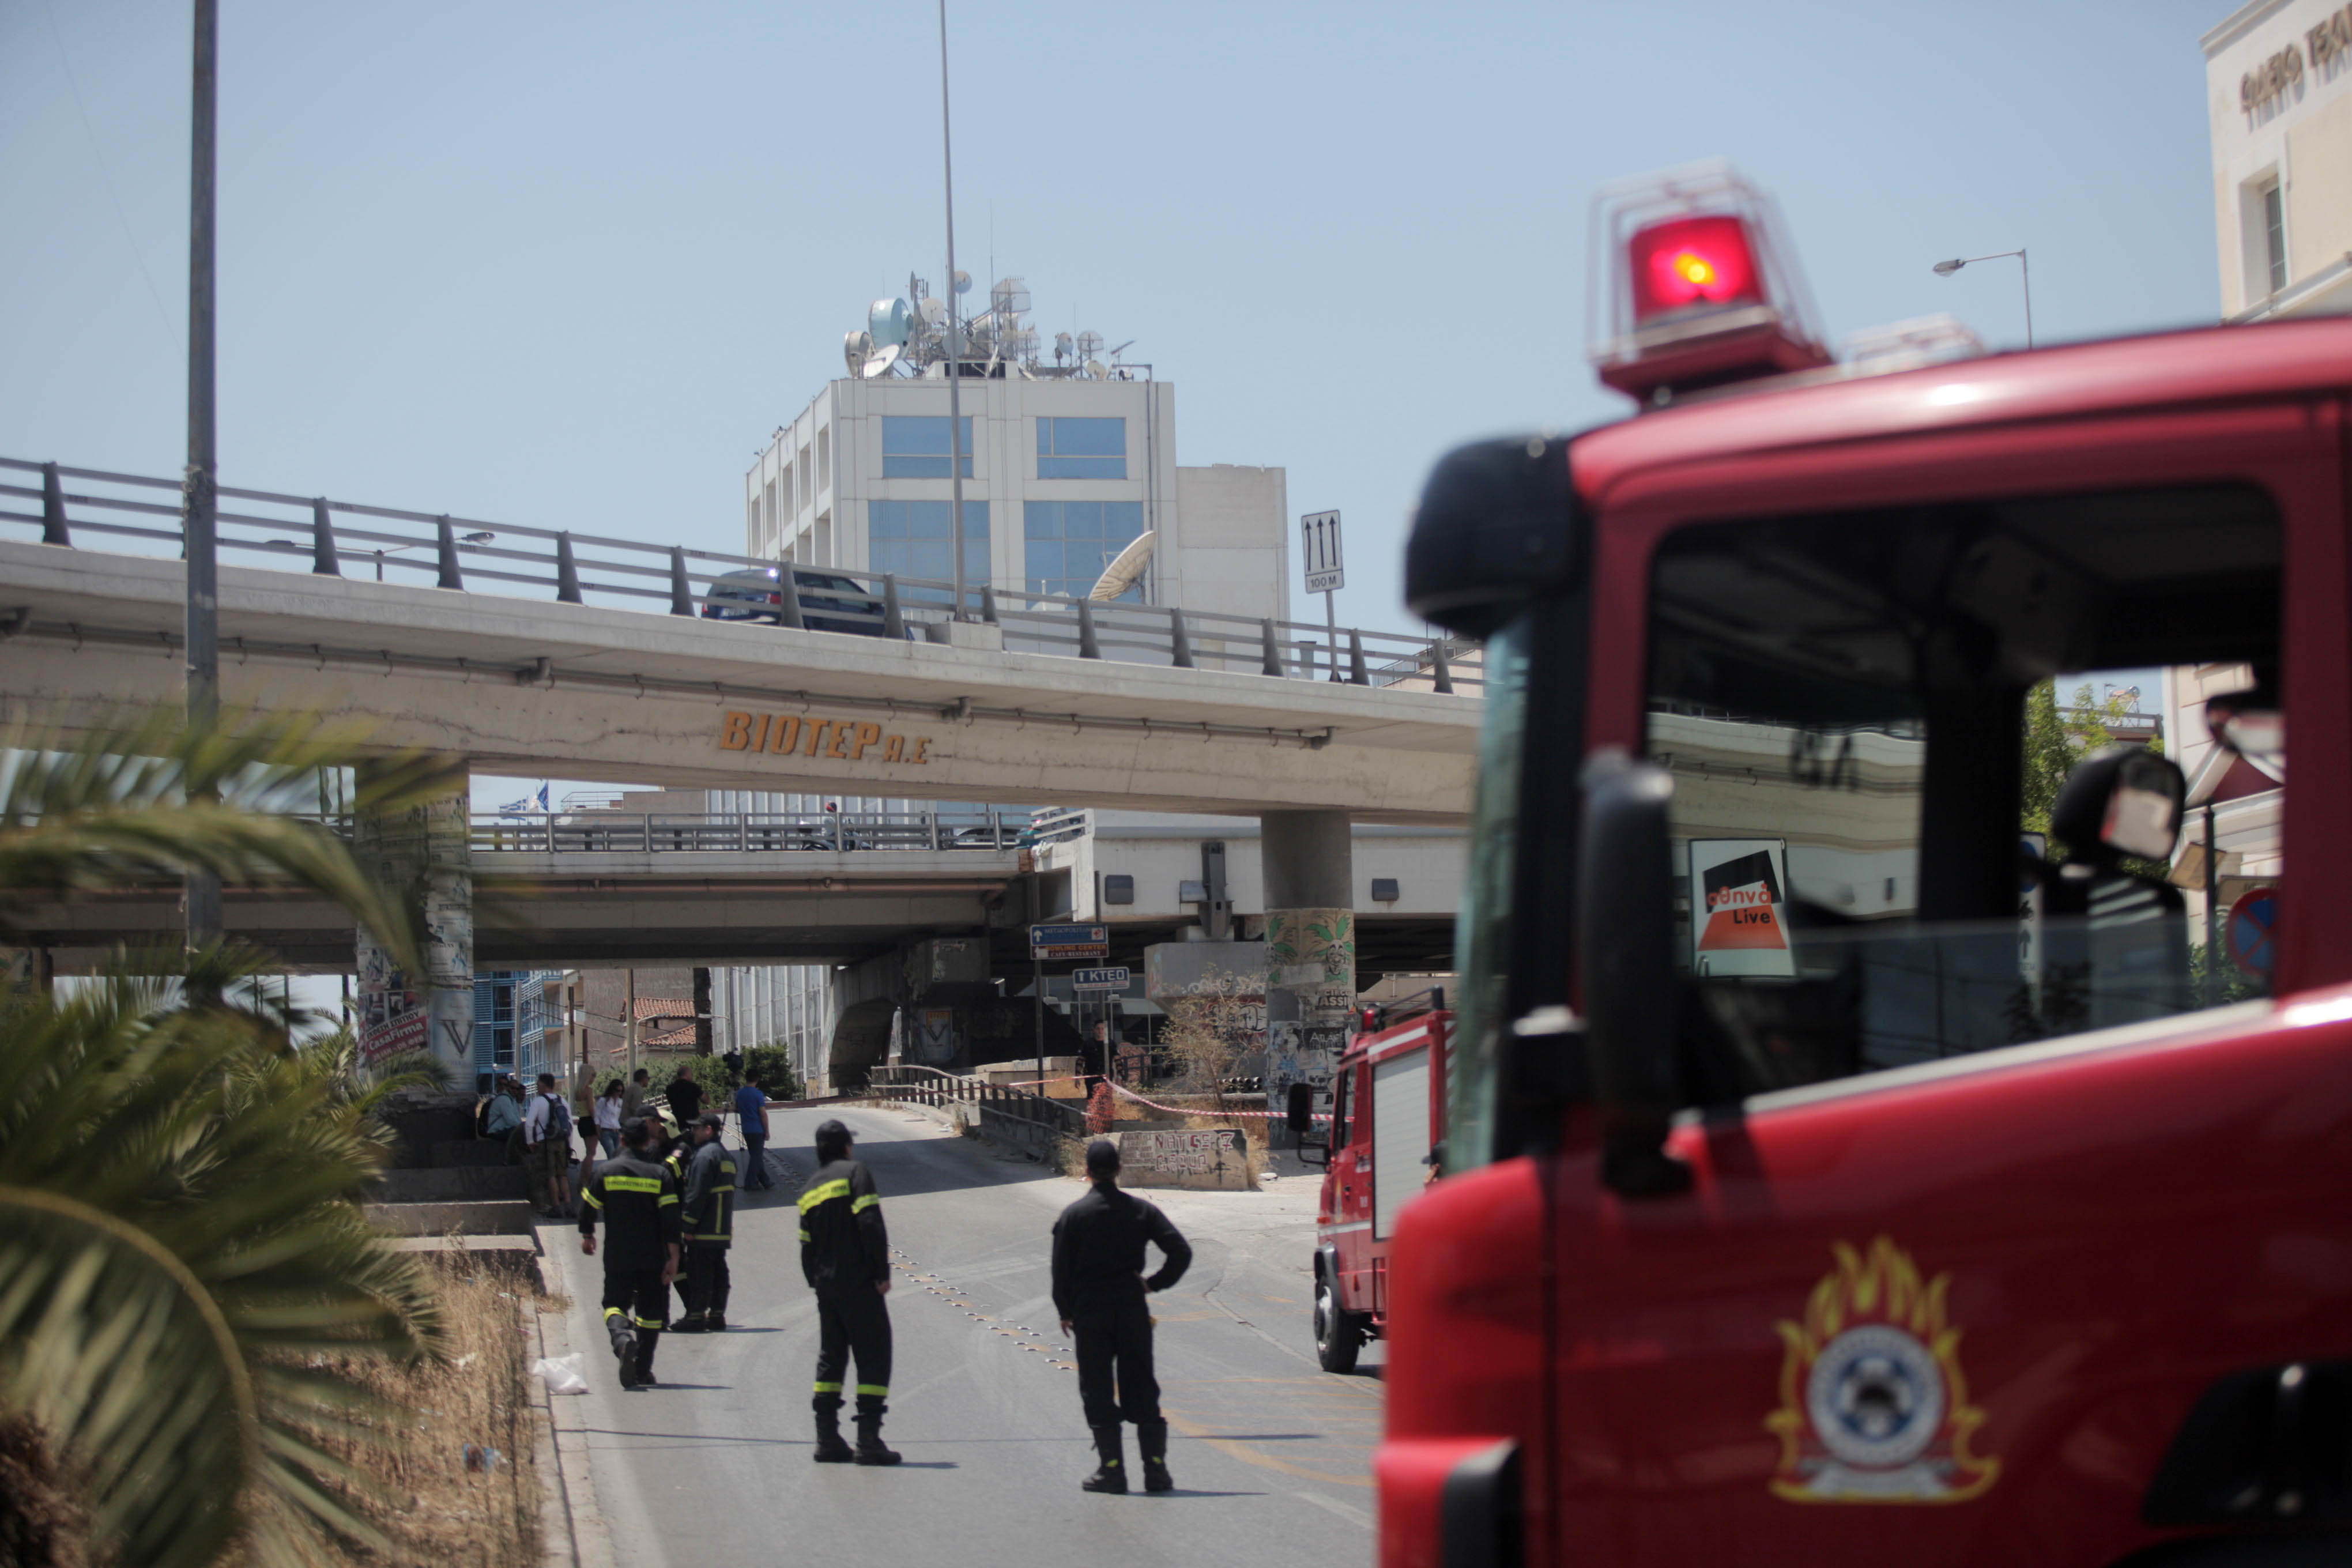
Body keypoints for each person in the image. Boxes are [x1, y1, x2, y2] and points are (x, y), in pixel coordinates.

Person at [1053, 1137, 1192, 1494]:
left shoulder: (1073, 1217)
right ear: (1119, 1170)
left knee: (1097, 1390)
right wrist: (1153, 1284)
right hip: (1131, 1309)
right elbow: (1180, 1252)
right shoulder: (1141, 1211)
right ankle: (1156, 1472)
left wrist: (1066, 1312)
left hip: (1091, 1312)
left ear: (1086, 1172)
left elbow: (1061, 1273)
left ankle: (1111, 1471)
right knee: (1142, 1385)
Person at [800, 1118, 897, 1465]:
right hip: (859, 1285)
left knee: (831, 1359)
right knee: (874, 1356)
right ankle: (868, 1439)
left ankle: (826, 1437)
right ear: (845, 1146)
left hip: (828, 1289)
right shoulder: (856, 1173)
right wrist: (881, 1273)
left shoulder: (809, 1188)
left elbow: (806, 1247)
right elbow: (869, 1221)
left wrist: (818, 1284)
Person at [578, 1116, 681, 1390]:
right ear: (648, 1142)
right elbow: (671, 1221)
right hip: (653, 1256)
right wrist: (674, 1258)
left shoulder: (606, 1171)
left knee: (613, 1305)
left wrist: (588, 1235)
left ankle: (622, 1339)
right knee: (651, 1314)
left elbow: (588, 1207)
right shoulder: (660, 1174)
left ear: (622, 1141)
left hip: (618, 1255)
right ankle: (642, 1371)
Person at [672, 1113, 738, 1333]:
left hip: (703, 1229)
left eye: (697, 1129)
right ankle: (717, 1316)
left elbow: (696, 1195)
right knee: (719, 1273)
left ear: (708, 1130)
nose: (693, 1132)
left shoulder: (704, 1157)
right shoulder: (726, 1157)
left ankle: (696, 1317)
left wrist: (688, 1226)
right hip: (720, 1230)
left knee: (699, 1274)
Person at [524, 1071, 576, 1218]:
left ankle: (556, 1208)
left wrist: (530, 1142)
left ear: (544, 1086)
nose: (537, 1088)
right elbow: (570, 1126)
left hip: (545, 1143)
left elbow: (529, 1124)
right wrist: (569, 1146)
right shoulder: (563, 1101)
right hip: (562, 1142)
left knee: (551, 1176)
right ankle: (569, 1206)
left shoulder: (538, 1102)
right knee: (563, 1175)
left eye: (538, 1085)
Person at [734, 1072, 773, 1192]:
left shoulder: (739, 1093)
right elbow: (763, 1114)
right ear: (757, 1080)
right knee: (756, 1157)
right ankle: (750, 1182)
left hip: (746, 1129)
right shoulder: (758, 1094)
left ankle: (765, 1181)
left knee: (755, 1156)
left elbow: (736, 1108)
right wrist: (767, 1130)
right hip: (757, 1129)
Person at [483, 1077, 522, 1141]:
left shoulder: (513, 1100)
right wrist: (523, 1128)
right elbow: (511, 1120)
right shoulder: (504, 1099)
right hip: (496, 1132)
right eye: (513, 1088)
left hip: (504, 1130)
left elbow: (517, 1117)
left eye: (517, 1089)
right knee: (519, 1134)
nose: (515, 1090)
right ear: (508, 1088)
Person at [594, 1079, 625, 1158]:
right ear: (612, 1090)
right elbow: (596, 1115)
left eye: (621, 1091)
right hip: (606, 1132)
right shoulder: (603, 1101)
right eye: (618, 1091)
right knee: (611, 1155)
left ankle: (613, 1170)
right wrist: (597, 1129)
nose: (619, 1093)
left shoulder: (620, 1102)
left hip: (617, 1132)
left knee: (618, 1157)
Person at [668, 1061, 704, 1128]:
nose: (692, 1076)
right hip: (693, 1122)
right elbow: (706, 1100)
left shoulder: (670, 1088)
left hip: (678, 1122)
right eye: (691, 1074)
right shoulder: (693, 1086)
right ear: (687, 1074)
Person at [620, 1066, 651, 1130]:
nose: (648, 1081)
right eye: (648, 1078)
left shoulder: (632, 1087)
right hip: (627, 1123)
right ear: (643, 1079)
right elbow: (636, 1109)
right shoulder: (637, 1089)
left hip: (622, 1121)